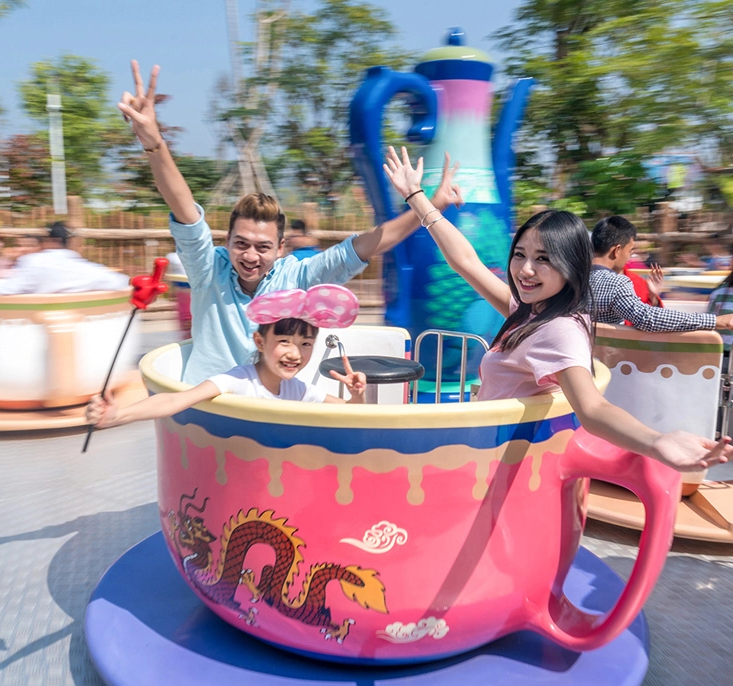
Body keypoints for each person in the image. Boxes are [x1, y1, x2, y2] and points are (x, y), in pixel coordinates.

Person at [383, 146, 732, 473]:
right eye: (520, 254)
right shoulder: (529, 311)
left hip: (495, 465)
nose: (526, 270)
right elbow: (466, 262)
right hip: (484, 452)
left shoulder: (560, 329)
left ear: (571, 265)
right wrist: (416, 197)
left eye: (544, 259)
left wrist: (656, 441)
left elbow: (593, 407)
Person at [119, 61, 461, 385]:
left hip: (269, 406)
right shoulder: (208, 269)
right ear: (227, 241)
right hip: (210, 406)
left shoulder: (296, 277)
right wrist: (153, 142)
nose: (250, 255)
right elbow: (183, 208)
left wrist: (429, 205)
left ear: (280, 248)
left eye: (263, 247)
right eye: (241, 244)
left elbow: (367, 244)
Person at [86, 285, 367, 428]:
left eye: (306, 344)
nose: (295, 353)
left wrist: (356, 395)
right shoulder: (240, 381)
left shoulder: (297, 389)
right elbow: (176, 400)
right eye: (284, 341)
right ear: (260, 342)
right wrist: (119, 414)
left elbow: (349, 413)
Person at [590, 216, 733, 333]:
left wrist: (653, 298)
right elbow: (647, 319)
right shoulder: (616, 283)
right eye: (630, 251)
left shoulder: (577, 278)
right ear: (616, 250)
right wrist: (715, 320)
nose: (629, 257)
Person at [0, 222, 129, 294]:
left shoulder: (33, 262)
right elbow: (119, 281)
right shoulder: (85, 267)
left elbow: (10, 289)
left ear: (51, 241)